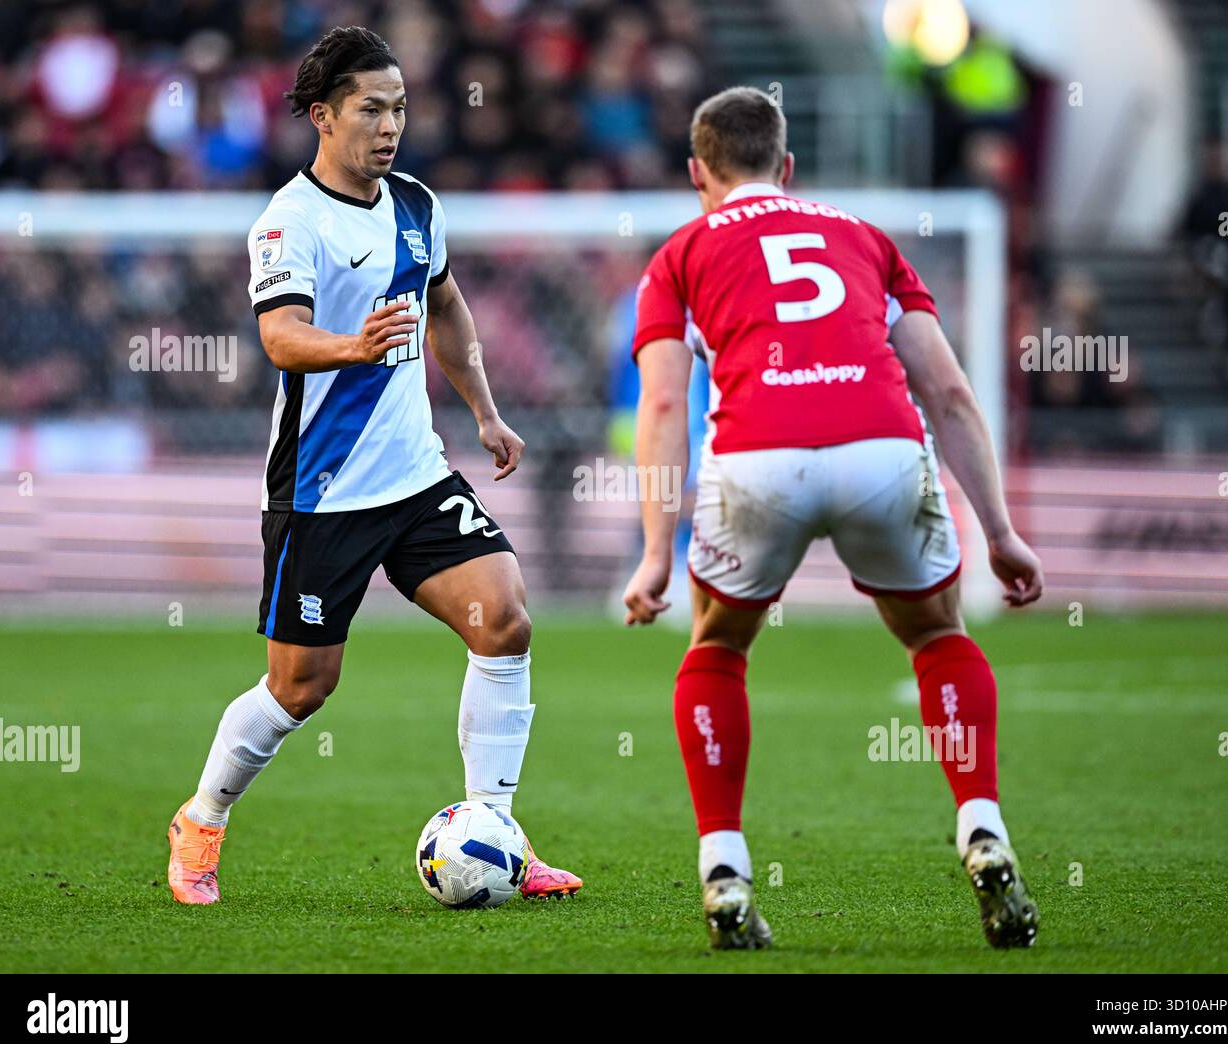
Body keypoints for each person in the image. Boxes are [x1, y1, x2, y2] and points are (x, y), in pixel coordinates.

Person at [166, 25, 581, 906]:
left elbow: (449, 308)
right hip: (322, 493)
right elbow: (279, 336)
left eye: (399, 108)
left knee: (504, 623)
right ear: (323, 115)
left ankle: (496, 832)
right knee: (301, 688)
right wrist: (352, 347)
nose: (390, 126)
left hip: (418, 478)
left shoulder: (419, 206)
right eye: (371, 109)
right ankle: (201, 817)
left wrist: (486, 412)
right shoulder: (289, 220)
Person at [623, 86, 1042, 949]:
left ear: (697, 172)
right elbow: (951, 390)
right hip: (882, 448)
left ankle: (725, 869)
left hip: (756, 460)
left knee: (717, 647)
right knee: (936, 636)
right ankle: (982, 826)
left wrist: (654, 551)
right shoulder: (862, 237)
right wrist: (999, 531)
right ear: (788, 167)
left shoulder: (678, 256)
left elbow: (663, 403)